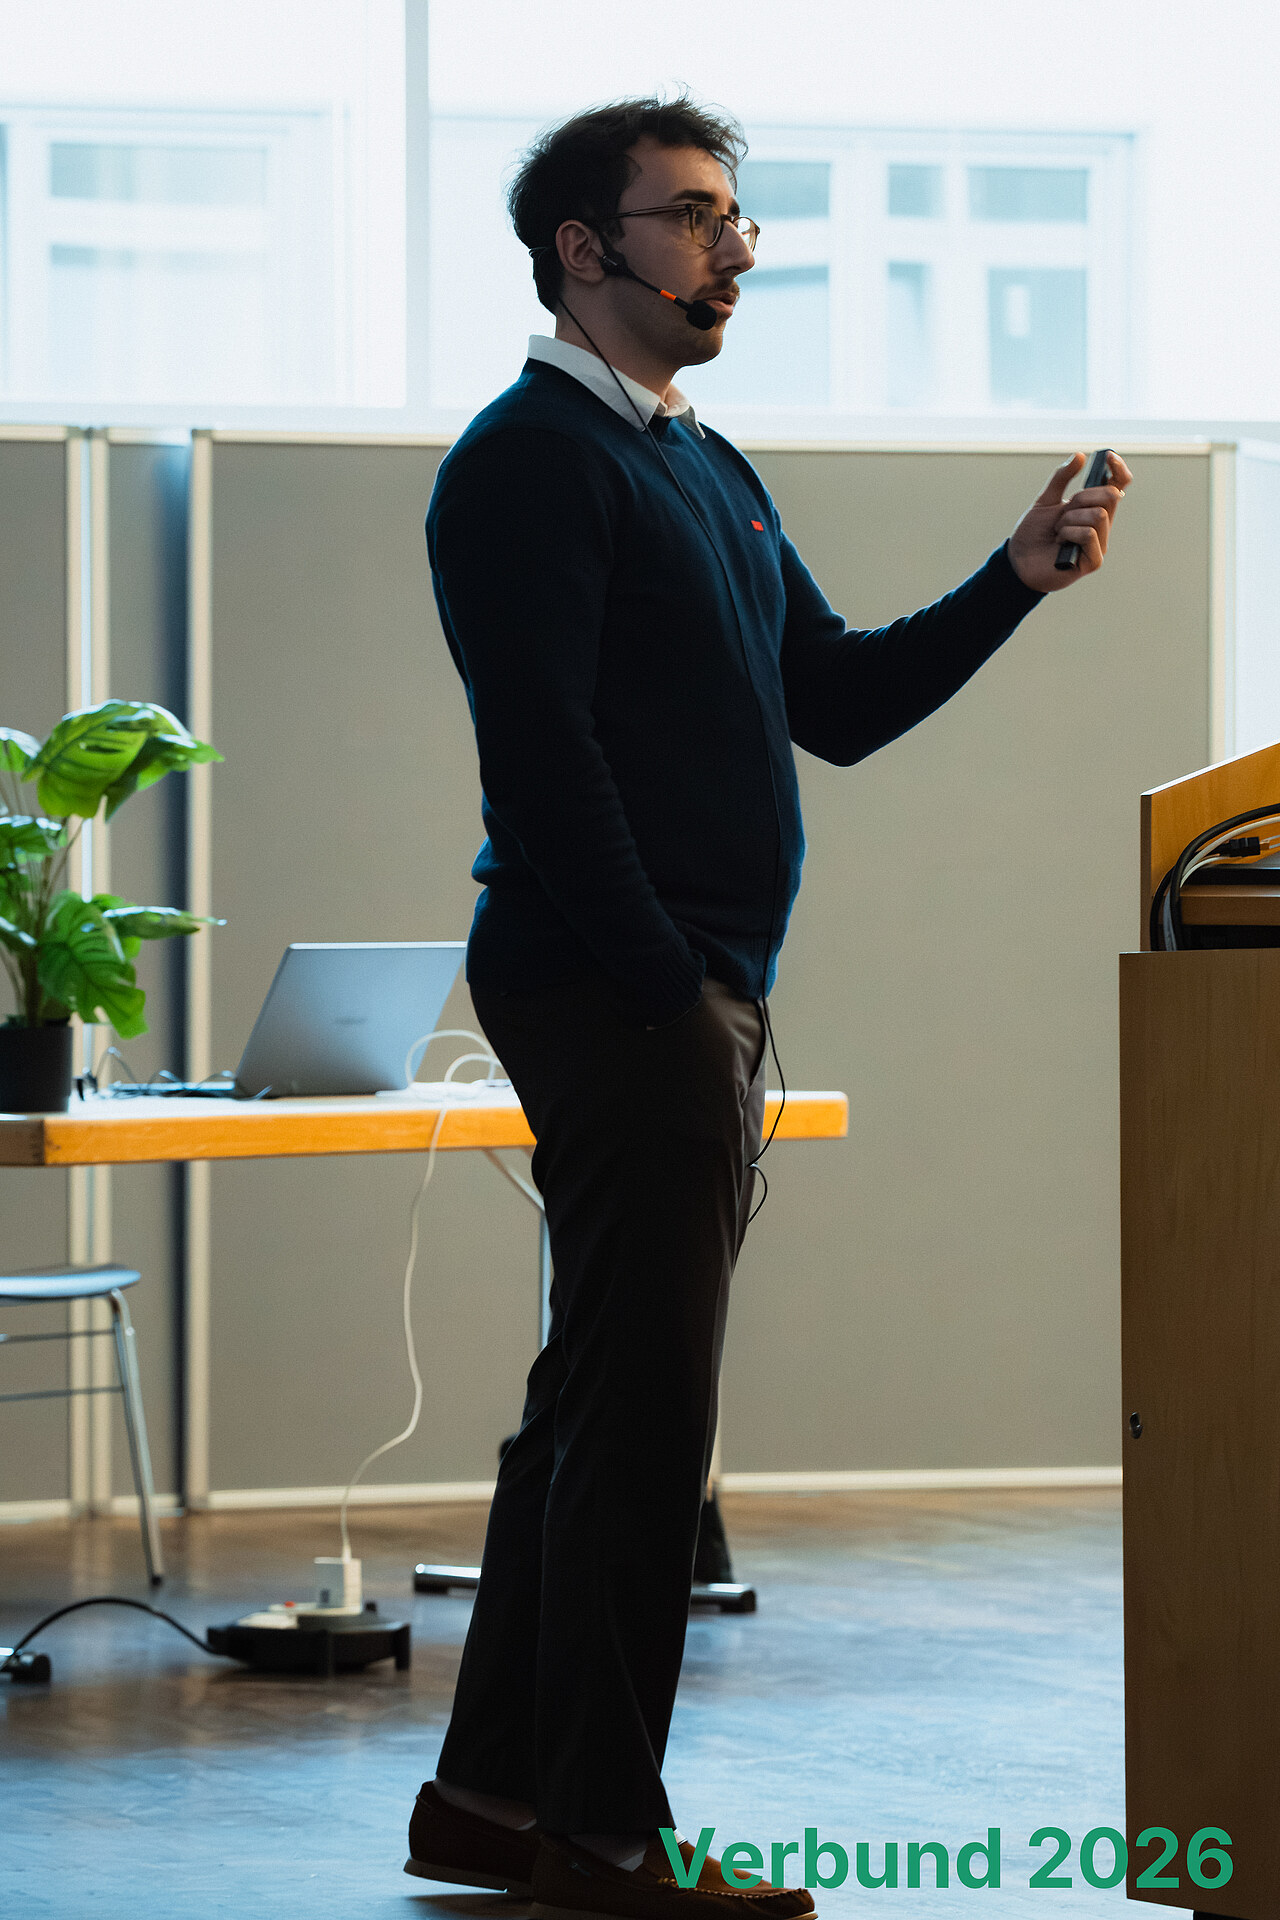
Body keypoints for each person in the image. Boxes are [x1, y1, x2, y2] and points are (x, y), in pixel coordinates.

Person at [406, 94, 1131, 1920]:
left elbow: (840, 700)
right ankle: (605, 1835)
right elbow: (546, 765)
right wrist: (665, 984)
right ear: (583, 250)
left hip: (678, 982)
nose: (733, 251)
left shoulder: (702, 462)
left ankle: (490, 1800)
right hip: (621, 983)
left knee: (593, 1401)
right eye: (693, 217)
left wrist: (1015, 582)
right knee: (647, 1420)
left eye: (737, 219)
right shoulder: (528, 462)